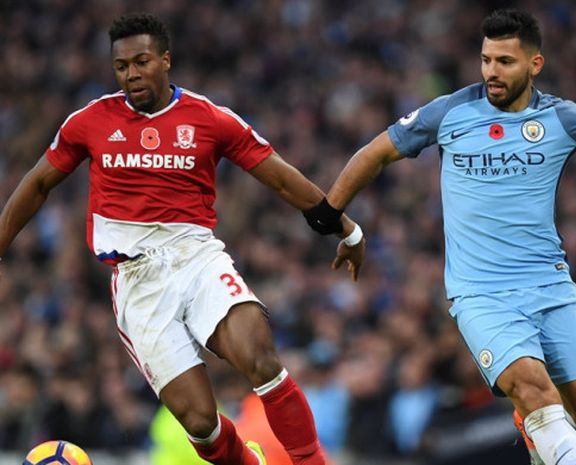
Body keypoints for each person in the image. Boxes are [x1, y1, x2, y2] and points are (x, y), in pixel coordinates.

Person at [302, 8, 576, 465]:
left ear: (534, 64)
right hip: (481, 295)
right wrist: (331, 214)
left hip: (550, 286)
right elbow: (376, 152)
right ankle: (537, 421)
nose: (492, 71)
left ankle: (533, 431)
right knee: (532, 387)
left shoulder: (562, 119)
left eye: (505, 62)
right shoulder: (450, 111)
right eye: (486, 59)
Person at [0, 13, 365, 465]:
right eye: (121, 66)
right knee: (201, 425)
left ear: (165, 60)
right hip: (136, 280)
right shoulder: (89, 122)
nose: (132, 74)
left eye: (142, 61)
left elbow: (281, 180)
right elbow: (37, 184)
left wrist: (346, 227)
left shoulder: (210, 118)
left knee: (261, 358)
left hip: (195, 256)